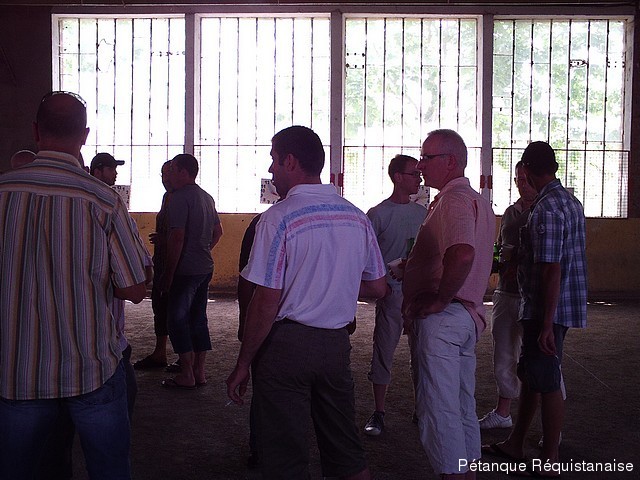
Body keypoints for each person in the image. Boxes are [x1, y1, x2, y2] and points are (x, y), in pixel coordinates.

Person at [0, 91, 147, 479]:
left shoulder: (2, 192)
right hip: (90, 368)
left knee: (17, 469)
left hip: (16, 371)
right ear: (84, 136)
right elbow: (134, 289)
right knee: (109, 468)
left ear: (36, 131)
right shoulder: (103, 201)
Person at [226, 125, 387, 480]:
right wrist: (336, 284)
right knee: (346, 451)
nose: (270, 169)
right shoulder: (355, 216)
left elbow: (266, 301)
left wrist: (243, 363)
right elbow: (378, 286)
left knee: (284, 455)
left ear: (290, 161)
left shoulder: (278, 218)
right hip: (335, 346)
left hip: (286, 347)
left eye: (273, 159)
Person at [483, 141, 587, 477]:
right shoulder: (570, 202)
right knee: (530, 374)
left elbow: (551, 269)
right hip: (550, 307)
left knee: (548, 379)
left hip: (546, 310)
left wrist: (545, 323)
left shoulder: (546, 209)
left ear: (527, 169)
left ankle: (551, 456)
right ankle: (515, 442)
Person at [402, 129, 495, 479]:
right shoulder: (474, 200)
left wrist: (440, 298)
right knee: (460, 406)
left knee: (440, 413)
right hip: (464, 316)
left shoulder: (454, 200)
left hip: (446, 318)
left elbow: (462, 253)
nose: (420, 165)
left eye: (427, 158)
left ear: (451, 161)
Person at [363, 154, 427, 436]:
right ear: (398, 177)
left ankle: (422, 408)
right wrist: (381, 286)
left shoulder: (423, 214)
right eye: (414, 174)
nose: (419, 179)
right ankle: (379, 411)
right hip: (392, 294)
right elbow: (367, 254)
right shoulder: (378, 214)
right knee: (383, 351)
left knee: (422, 352)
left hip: (419, 295)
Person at [478, 160, 537, 429]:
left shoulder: (544, 210)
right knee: (503, 354)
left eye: (527, 179)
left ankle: (550, 425)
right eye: (519, 180)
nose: (523, 184)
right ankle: (503, 412)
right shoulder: (511, 212)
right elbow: (501, 246)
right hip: (505, 292)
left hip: (532, 295)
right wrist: (496, 262)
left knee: (539, 359)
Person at [159, 153, 223, 389]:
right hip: (204, 267)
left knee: (176, 319)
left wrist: (168, 274)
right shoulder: (206, 197)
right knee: (198, 318)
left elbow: (177, 237)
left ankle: (186, 373)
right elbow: (218, 231)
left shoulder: (179, 198)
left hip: (185, 270)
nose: (169, 175)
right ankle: (200, 371)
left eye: (173, 170)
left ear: (184, 172)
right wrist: (202, 249)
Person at [134, 160, 175, 370]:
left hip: (174, 264)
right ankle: (161, 352)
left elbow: (187, 236)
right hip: (162, 261)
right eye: (162, 175)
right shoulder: (167, 197)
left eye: (169, 174)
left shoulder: (184, 199)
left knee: (177, 311)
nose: (165, 179)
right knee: (160, 307)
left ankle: (186, 359)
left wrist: (165, 240)